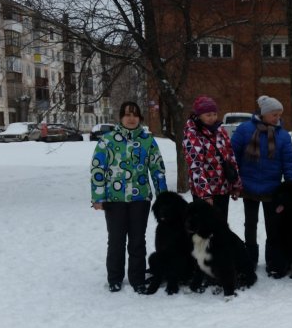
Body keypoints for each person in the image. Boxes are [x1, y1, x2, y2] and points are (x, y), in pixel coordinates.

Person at [90, 101, 167, 293]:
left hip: (140, 199)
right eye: (127, 115)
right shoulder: (108, 140)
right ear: (121, 118)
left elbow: (157, 169)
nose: (131, 118)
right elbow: (98, 168)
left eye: (134, 115)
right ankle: (115, 278)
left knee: (137, 240)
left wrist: (163, 197)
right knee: (116, 240)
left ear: (140, 118)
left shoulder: (148, 140)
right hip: (114, 200)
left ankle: (137, 278)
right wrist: (98, 197)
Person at [230, 95, 292, 275]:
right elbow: (233, 156)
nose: (278, 118)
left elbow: (289, 164)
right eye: (274, 114)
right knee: (250, 224)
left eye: (279, 115)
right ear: (264, 114)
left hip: (272, 190)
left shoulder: (283, 136)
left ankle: (273, 261)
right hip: (248, 187)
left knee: (273, 226)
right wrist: (233, 181)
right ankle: (250, 258)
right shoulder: (244, 130)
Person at [182, 95, 242, 216]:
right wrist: (205, 194)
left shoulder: (220, 130)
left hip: (222, 189)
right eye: (208, 115)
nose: (212, 118)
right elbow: (195, 166)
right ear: (198, 115)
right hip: (204, 191)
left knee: (220, 228)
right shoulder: (192, 134)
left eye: (214, 114)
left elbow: (230, 157)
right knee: (206, 230)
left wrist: (236, 184)